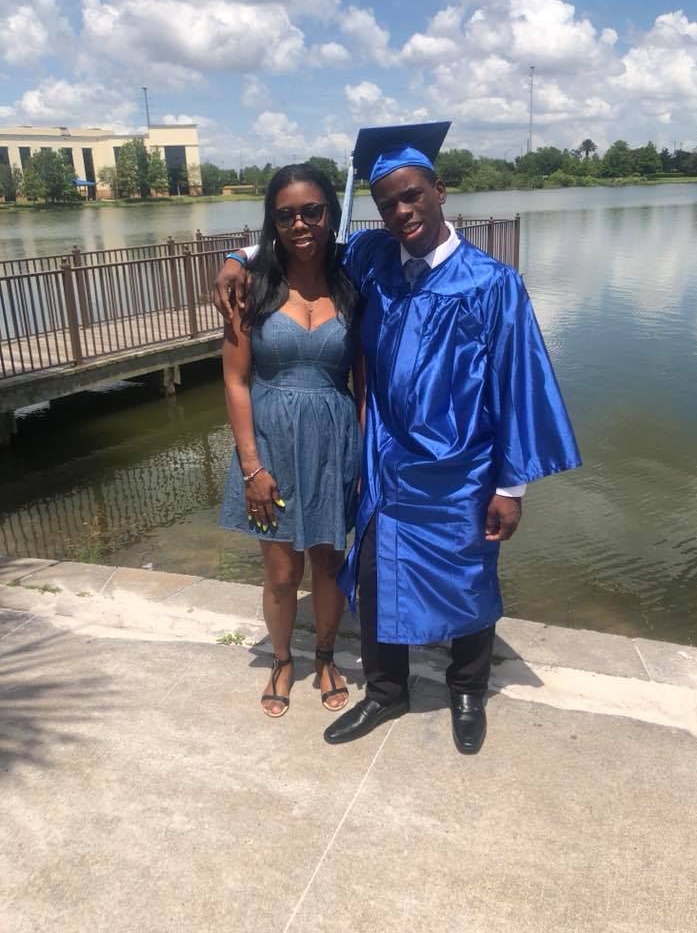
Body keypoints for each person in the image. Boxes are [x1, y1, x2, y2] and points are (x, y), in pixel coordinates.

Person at [214, 123, 581, 753]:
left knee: (469, 575)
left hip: (464, 467)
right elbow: (304, 246)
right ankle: (386, 692)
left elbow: (520, 386)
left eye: (411, 196)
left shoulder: (492, 285)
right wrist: (240, 256)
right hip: (384, 460)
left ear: (439, 191)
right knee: (377, 576)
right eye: (387, 204)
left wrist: (510, 484)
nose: (401, 212)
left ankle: (467, 692)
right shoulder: (375, 259)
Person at [218, 163, 362, 718]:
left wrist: (363, 457)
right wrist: (252, 466)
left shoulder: (354, 284)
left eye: (312, 211)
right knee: (281, 571)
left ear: (331, 214)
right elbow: (234, 380)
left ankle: (325, 655)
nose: (300, 223)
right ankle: (282, 659)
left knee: (327, 561)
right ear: (271, 222)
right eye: (285, 214)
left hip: (333, 442)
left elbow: (364, 385)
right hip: (271, 441)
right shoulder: (251, 288)